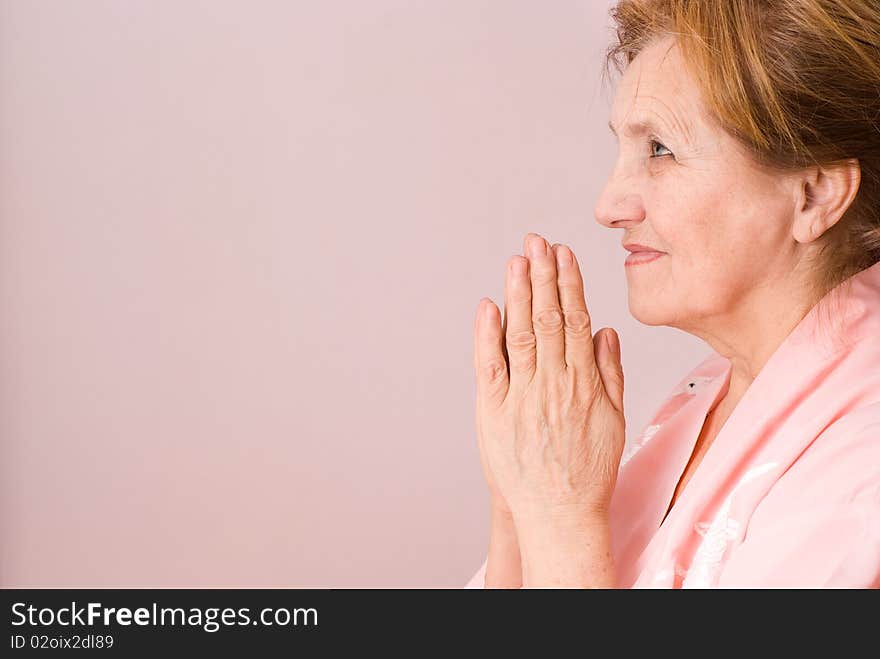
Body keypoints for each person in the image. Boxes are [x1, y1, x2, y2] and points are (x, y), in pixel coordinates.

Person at [465, 0, 880, 588]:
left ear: (814, 196)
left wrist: (560, 516)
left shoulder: (861, 473)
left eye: (660, 150)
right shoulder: (708, 397)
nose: (609, 207)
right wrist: (520, 497)